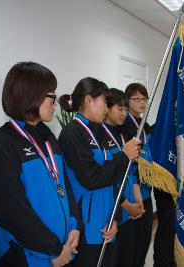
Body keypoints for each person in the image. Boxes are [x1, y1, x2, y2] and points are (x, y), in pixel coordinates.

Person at [0, 62, 82, 267]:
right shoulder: (2, 144)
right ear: (30, 95)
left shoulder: (47, 136)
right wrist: (54, 249)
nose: (55, 102)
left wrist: (75, 226)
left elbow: (64, 185)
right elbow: (12, 211)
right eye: (51, 95)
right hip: (28, 256)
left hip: (62, 248)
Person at [58, 78, 141, 267]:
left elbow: (111, 181)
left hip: (107, 224)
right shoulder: (72, 134)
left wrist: (116, 218)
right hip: (86, 230)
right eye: (104, 101)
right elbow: (91, 177)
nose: (106, 108)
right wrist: (123, 156)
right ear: (88, 101)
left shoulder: (99, 131)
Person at [102, 88, 145, 267]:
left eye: (126, 109)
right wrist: (127, 205)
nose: (124, 113)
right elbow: (106, 178)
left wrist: (138, 199)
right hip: (116, 208)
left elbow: (131, 170)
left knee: (131, 257)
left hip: (128, 208)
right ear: (107, 108)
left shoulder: (121, 134)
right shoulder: (100, 137)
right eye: (120, 109)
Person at [117, 83, 153, 267]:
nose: (141, 102)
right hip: (134, 188)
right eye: (136, 99)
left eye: (144, 98)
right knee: (134, 243)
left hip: (146, 187)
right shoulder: (124, 127)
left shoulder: (143, 123)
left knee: (144, 239)